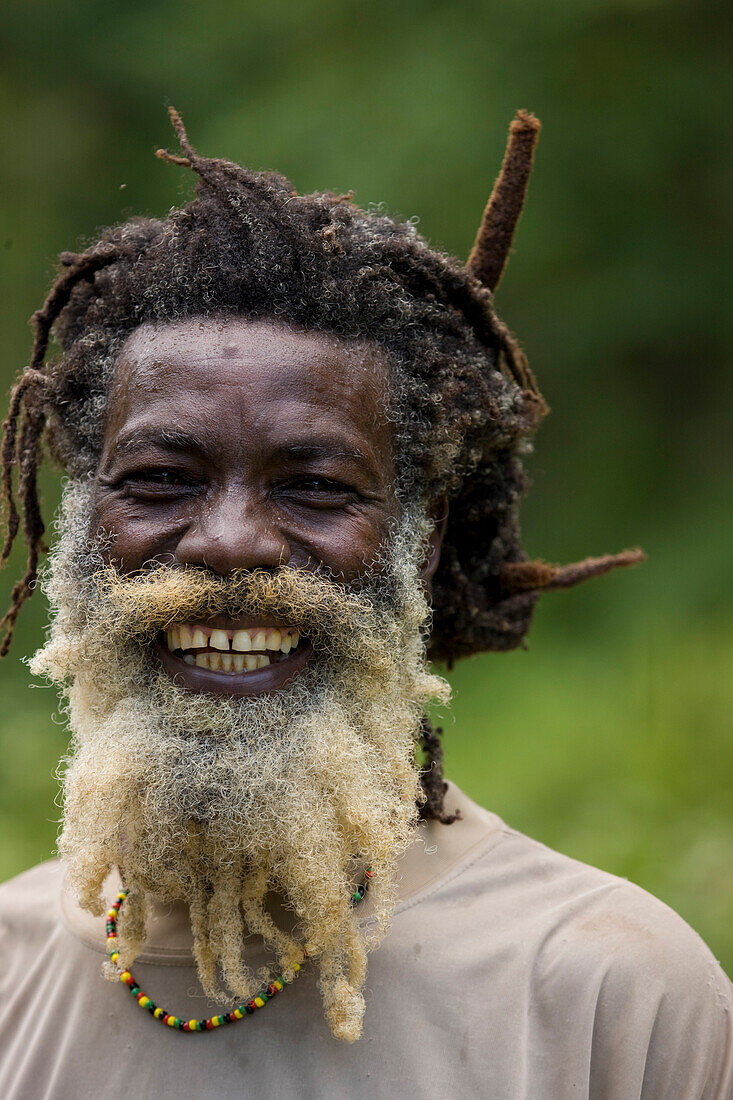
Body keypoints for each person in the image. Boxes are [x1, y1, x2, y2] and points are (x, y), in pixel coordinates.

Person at [0, 108, 729, 1099]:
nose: (230, 543)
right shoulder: (10, 972)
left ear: (416, 541)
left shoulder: (605, 986)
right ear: (82, 523)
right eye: (163, 477)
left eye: (314, 486)